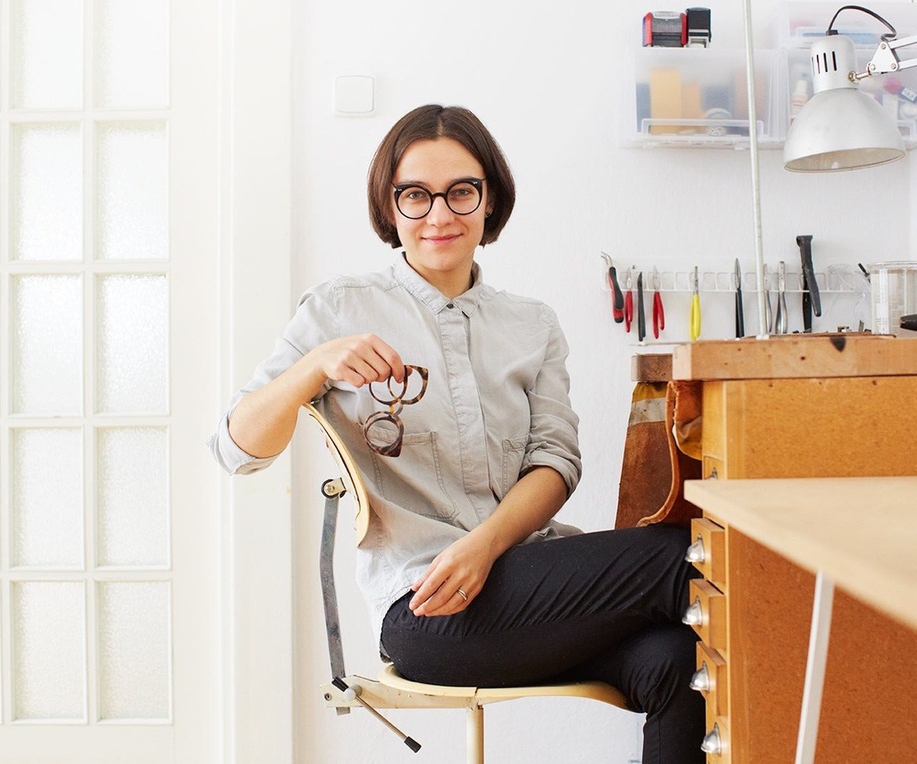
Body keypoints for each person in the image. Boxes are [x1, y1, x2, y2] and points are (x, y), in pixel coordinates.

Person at [209, 104, 705, 762]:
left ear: (488, 198)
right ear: (389, 206)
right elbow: (236, 449)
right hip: (427, 609)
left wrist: (484, 546)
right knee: (689, 555)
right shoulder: (339, 308)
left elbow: (556, 463)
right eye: (415, 195)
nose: (438, 215)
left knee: (679, 657)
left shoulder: (532, 324)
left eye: (460, 192)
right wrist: (313, 366)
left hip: (525, 587)